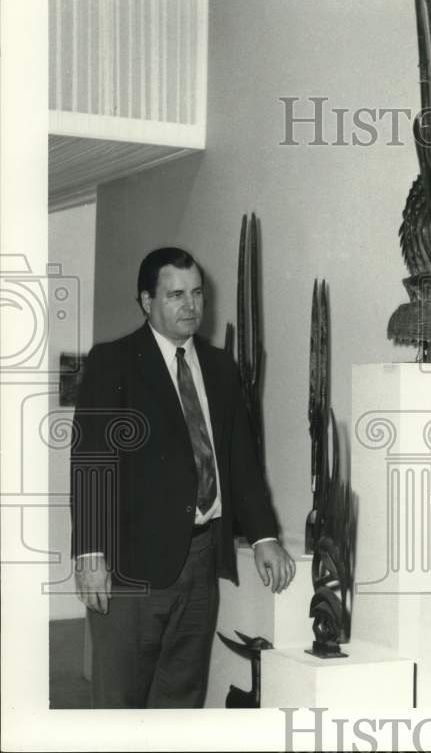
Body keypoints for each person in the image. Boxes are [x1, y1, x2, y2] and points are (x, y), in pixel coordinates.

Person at [71, 246, 296, 708]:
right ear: (146, 301)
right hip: (129, 568)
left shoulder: (220, 368)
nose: (190, 305)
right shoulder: (112, 362)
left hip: (198, 562)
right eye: (175, 295)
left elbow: (240, 460)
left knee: (181, 699)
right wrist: (89, 552)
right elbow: (91, 461)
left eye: (196, 293)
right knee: (119, 705)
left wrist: (264, 537)